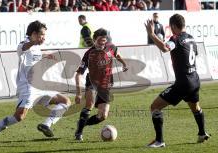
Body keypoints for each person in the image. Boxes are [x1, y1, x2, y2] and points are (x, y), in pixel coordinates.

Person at [0, 20, 71, 147]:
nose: (44, 38)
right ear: (33, 34)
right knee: (19, 117)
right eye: (42, 35)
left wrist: (47, 55)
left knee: (65, 101)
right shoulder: (24, 43)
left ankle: (46, 124)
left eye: (44, 35)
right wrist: (34, 42)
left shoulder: (37, 46)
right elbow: (23, 48)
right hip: (28, 87)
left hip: (39, 86)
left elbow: (35, 56)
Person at [144, 14, 210, 148]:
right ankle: (202, 133)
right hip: (195, 80)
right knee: (195, 107)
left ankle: (159, 141)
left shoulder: (175, 38)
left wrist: (151, 34)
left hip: (183, 82)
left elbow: (164, 48)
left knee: (155, 107)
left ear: (173, 26)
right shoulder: (191, 38)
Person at [74, 28, 128, 141]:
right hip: (92, 82)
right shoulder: (88, 54)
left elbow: (117, 54)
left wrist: (123, 63)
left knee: (103, 116)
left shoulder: (111, 47)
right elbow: (78, 74)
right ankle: (79, 134)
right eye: (99, 41)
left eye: (104, 41)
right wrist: (78, 94)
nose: (102, 43)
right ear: (94, 40)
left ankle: (82, 124)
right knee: (90, 104)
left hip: (106, 84)